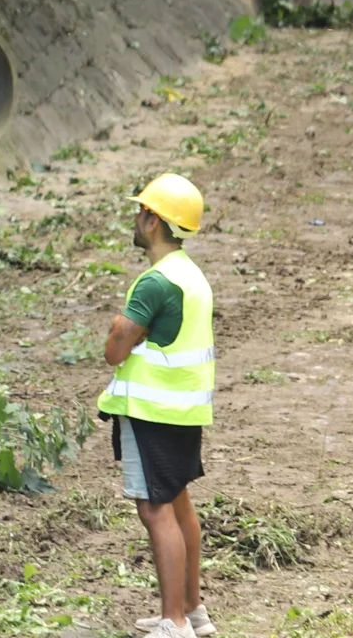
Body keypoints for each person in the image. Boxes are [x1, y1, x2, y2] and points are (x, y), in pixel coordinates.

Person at [100, 173, 217, 638]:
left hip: (153, 412)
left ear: (153, 221)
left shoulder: (154, 283)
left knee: (154, 509)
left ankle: (173, 622)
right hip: (184, 409)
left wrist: (117, 326)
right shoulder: (191, 275)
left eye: (140, 210)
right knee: (178, 500)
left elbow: (115, 348)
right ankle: (192, 610)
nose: (135, 217)